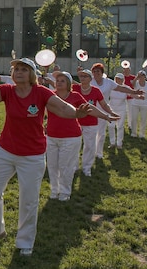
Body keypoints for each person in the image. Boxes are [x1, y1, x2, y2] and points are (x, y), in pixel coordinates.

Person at [0, 58, 91, 256]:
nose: (18, 72)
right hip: (5, 150)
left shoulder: (41, 92)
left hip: (32, 155)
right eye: (16, 69)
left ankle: (25, 242)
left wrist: (76, 113)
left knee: (28, 200)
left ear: (32, 74)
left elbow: (61, 107)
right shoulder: (8, 90)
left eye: (24, 69)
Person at [46, 71, 117, 201]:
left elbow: (89, 108)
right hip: (51, 136)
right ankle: (54, 190)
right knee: (52, 165)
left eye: (62, 80)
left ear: (68, 83)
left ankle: (65, 192)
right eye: (57, 80)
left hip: (70, 137)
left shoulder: (75, 96)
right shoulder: (51, 96)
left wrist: (106, 116)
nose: (59, 82)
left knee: (65, 166)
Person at [73, 69, 119, 177]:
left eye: (85, 76)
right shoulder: (74, 88)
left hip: (91, 122)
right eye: (81, 76)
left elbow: (103, 104)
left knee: (90, 146)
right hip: (75, 122)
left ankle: (86, 168)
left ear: (90, 79)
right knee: (74, 145)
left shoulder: (96, 90)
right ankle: (74, 167)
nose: (82, 78)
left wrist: (111, 113)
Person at [90, 63, 140, 159]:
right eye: (94, 71)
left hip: (104, 109)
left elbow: (121, 88)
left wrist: (134, 92)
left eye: (98, 71)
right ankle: (90, 152)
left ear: (102, 72)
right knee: (91, 132)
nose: (96, 73)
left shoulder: (108, 82)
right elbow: (79, 86)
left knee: (101, 133)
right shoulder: (90, 81)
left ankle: (98, 153)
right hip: (91, 110)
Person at [107, 73, 128, 149]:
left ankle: (119, 143)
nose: (118, 80)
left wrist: (139, 96)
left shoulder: (126, 88)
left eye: (120, 79)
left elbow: (132, 94)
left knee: (120, 126)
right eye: (117, 79)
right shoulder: (111, 87)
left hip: (121, 109)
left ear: (123, 80)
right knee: (111, 126)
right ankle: (112, 142)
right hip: (111, 109)